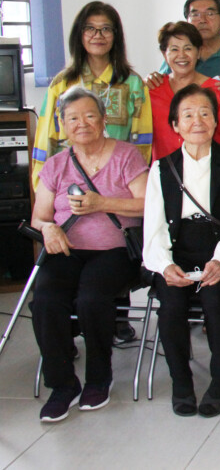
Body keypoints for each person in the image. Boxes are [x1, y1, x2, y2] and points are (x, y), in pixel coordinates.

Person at [30, 87, 148, 422]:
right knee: (46, 300)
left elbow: (148, 204)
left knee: (92, 298)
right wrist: (47, 228)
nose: (82, 123)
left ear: (103, 119)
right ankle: (62, 384)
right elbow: (39, 215)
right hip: (67, 249)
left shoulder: (126, 155)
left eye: (90, 115)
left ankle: (99, 378)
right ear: (63, 124)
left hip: (114, 251)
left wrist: (102, 203)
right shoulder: (55, 165)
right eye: (73, 118)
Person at [143, 84, 220, 417]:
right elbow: (155, 227)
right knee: (171, 306)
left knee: (215, 301)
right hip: (177, 251)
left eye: (205, 113)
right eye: (187, 115)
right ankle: (181, 383)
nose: (197, 121)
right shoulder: (162, 168)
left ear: (216, 120)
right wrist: (164, 266)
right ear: (174, 125)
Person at [31, 1, 152, 191]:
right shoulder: (61, 84)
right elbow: (46, 140)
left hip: (118, 184)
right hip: (68, 185)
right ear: (80, 35)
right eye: (90, 29)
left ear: (116, 36)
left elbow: (142, 144)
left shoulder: (133, 84)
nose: (98, 36)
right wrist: (41, 189)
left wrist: (135, 185)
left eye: (106, 29)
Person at [150, 22, 220, 160]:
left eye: (188, 48)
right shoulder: (152, 90)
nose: (182, 55)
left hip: (209, 173)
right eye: (174, 49)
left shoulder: (218, 90)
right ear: (165, 54)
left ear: (199, 52)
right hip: (164, 174)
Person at [158, 0, 220, 78]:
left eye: (210, 14)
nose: (202, 20)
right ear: (187, 21)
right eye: (195, 15)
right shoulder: (178, 57)